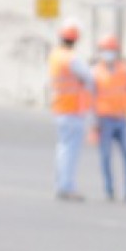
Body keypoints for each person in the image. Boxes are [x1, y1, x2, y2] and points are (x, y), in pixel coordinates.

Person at [91, 34, 126, 203]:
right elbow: (91, 97)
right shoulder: (95, 72)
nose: (109, 54)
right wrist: (94, 122)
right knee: (105, 156)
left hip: (122, 118)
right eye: (106, 51)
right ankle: (109, 190)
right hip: (104, 120)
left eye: (111, 50)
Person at [46, 23, 93, 200]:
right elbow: (88, 76)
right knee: (70, 151)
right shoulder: (70, 58)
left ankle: (60, 183)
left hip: (60, 107)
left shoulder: (55, 55)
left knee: (62, 148)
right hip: (72, 108)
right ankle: (67, 186)